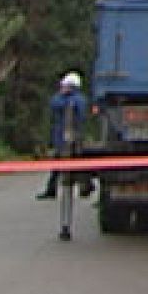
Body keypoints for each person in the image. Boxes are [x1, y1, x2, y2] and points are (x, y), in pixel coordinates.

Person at [36, 72, 93, 200]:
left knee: (78, 163)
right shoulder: (60, 98)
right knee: (58, 163)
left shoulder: (79, 99)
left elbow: (79, 111)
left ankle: (86, 186)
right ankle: (52, 189)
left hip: (74, 137)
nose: (63, 88)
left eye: (66, 86)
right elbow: (54, 104)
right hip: (61, 137)